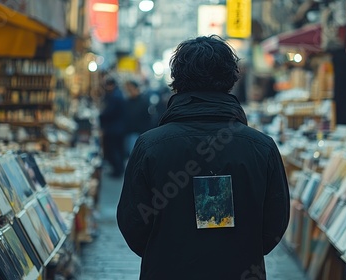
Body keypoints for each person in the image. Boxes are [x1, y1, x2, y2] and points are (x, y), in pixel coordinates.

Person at [116, 35, 290, 279]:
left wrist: (164, 252)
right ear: (230, 79)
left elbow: (132, 223)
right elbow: (275, 223)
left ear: (177, 81)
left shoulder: (150, 146)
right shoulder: (261, 147)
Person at [99, 77, 127, 178]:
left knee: (113, 149)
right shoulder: (117, 94)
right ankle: (118, 169)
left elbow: (109, 112)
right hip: (117, 127)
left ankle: (118, 170)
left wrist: (101, 115)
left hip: (114, 128)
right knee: (116, 149)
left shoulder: (115, 96)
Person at [123, 80, 152, 157]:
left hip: (139, 133)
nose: (129, 92)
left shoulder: (143, 101)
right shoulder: (127, 102)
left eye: (130, 89)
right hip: (129, 133)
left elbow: (147, 119)